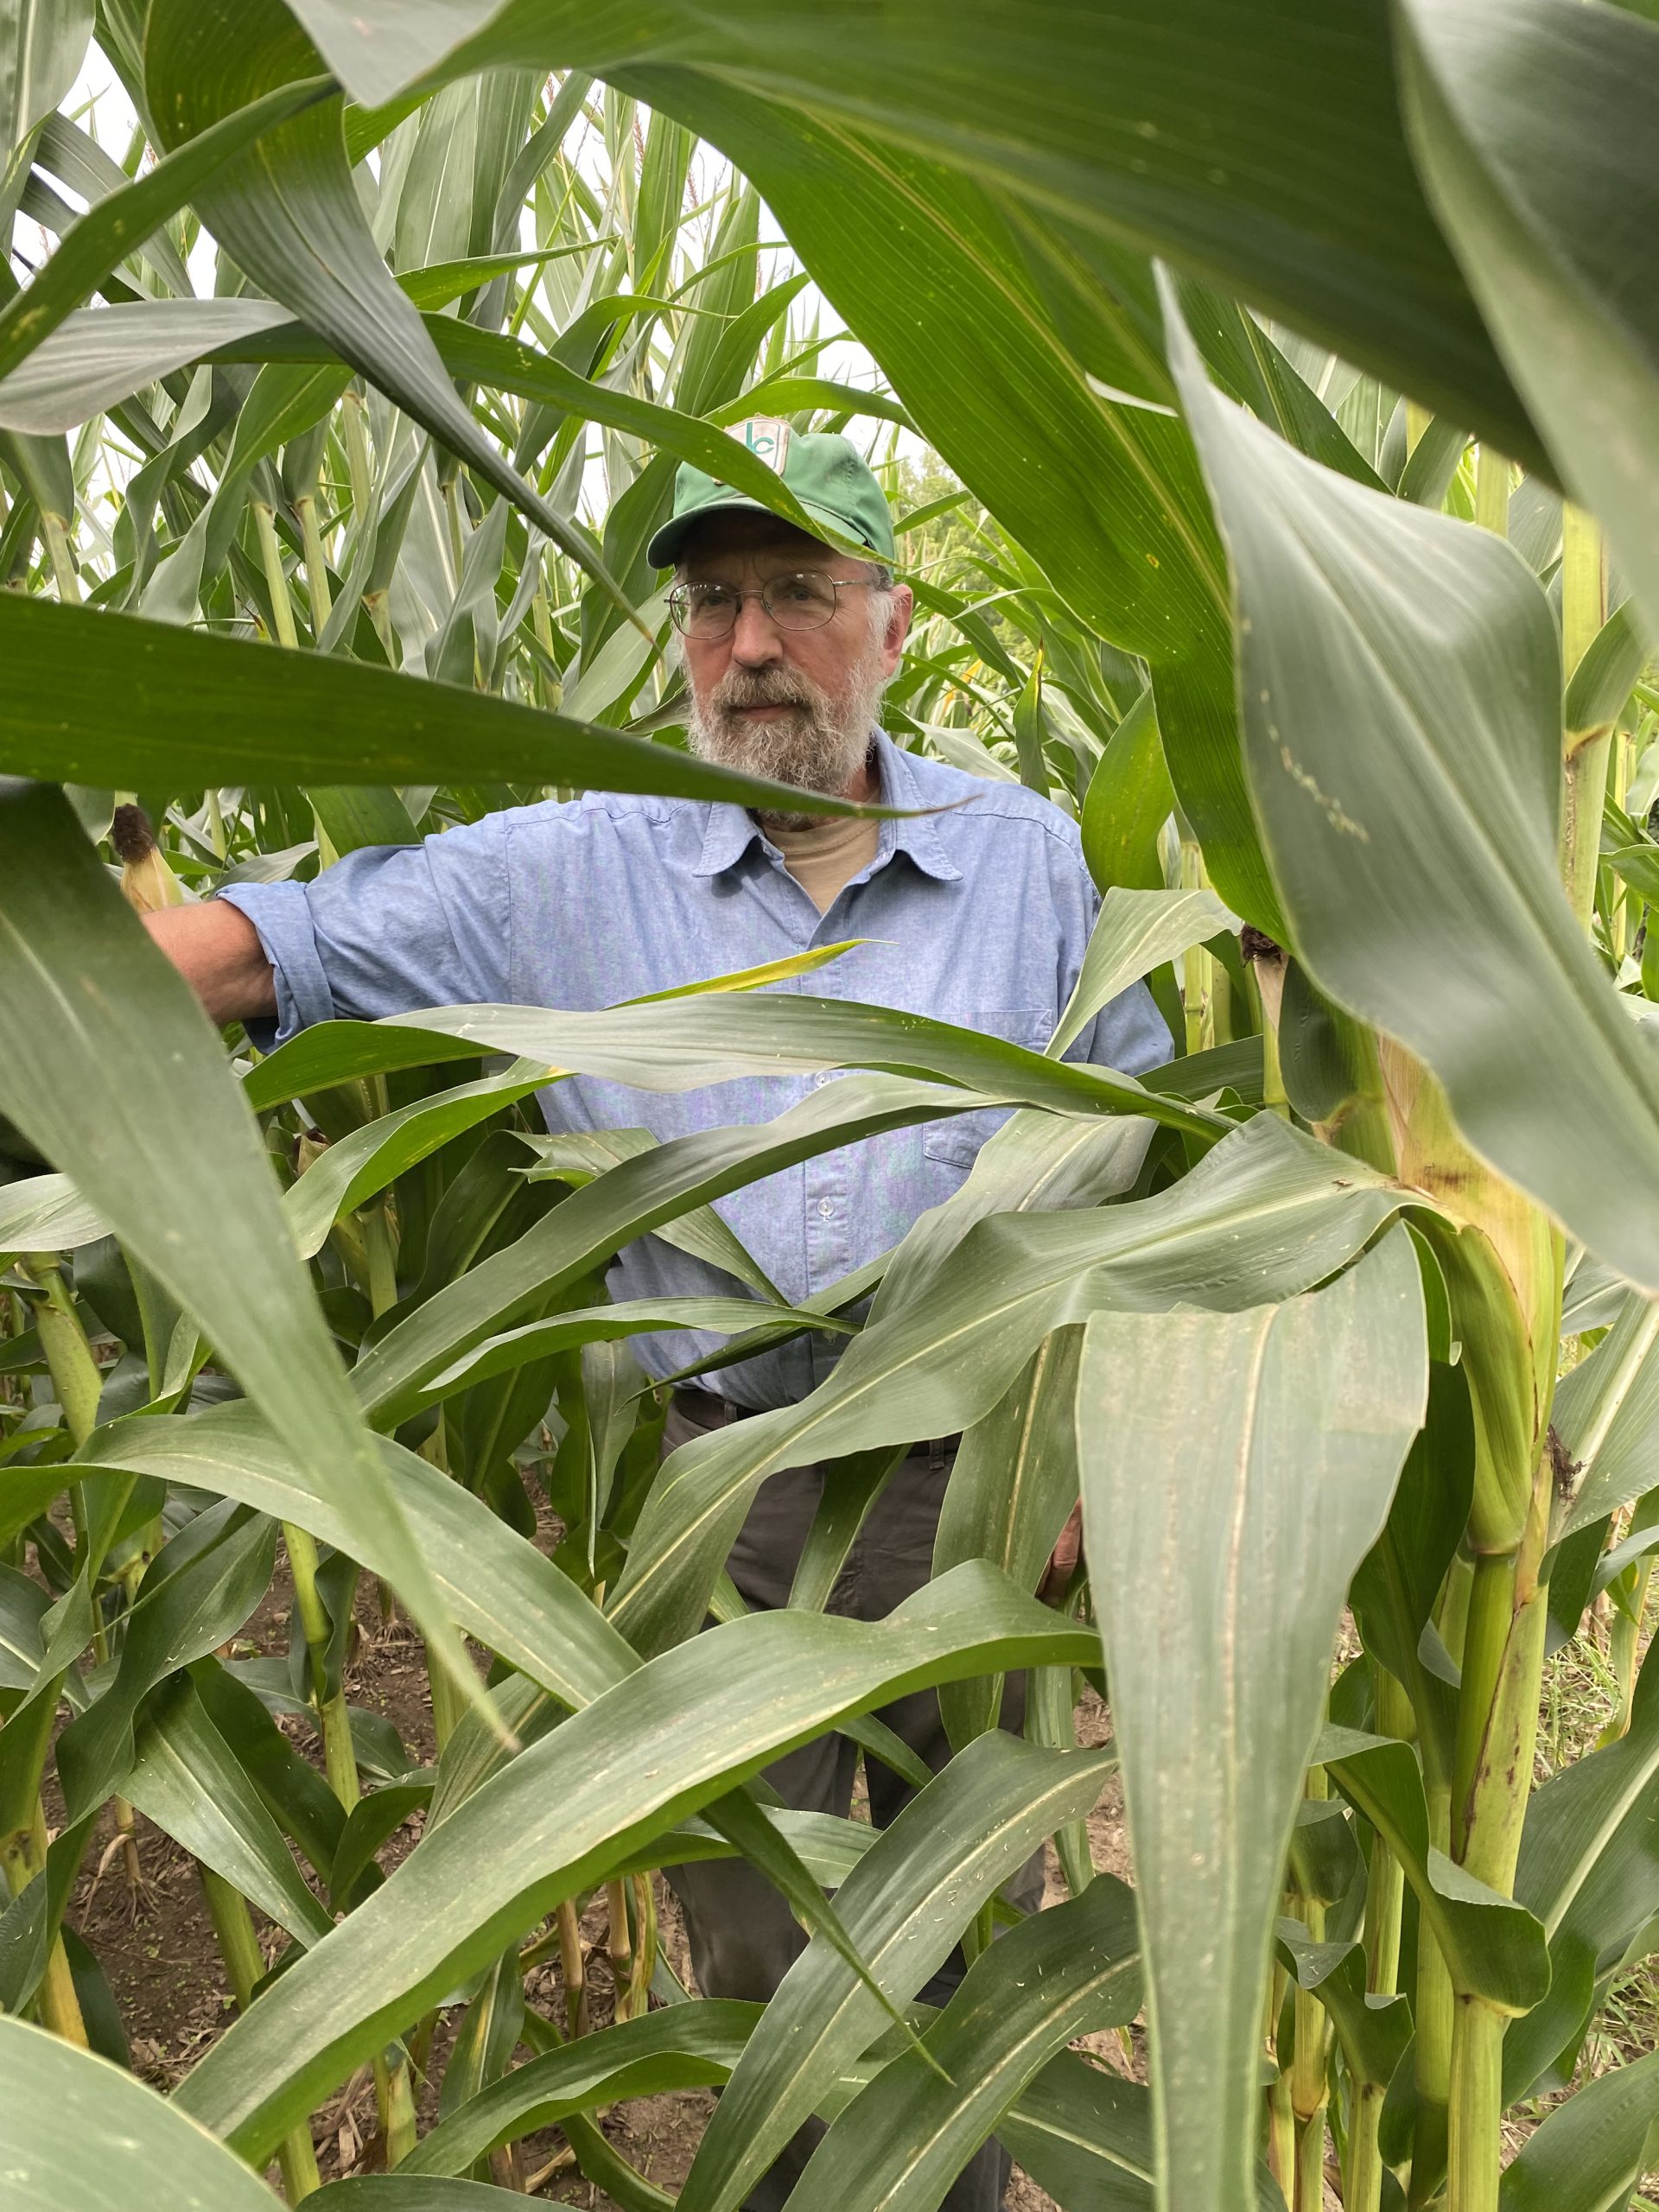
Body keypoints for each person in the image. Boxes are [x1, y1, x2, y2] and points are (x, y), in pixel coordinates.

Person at [146, 420, 1167, 2212]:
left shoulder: (1030, 861)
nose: (751, 644)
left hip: (973, 1489)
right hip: (727, 1498)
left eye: (796, 593)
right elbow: (277, 945)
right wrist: (65, 981)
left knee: (965, 1953)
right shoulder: (574, 864)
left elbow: (1146, 1167)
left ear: (890, 621)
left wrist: (1100, 1448)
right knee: (766, 1965)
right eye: (711, 604)